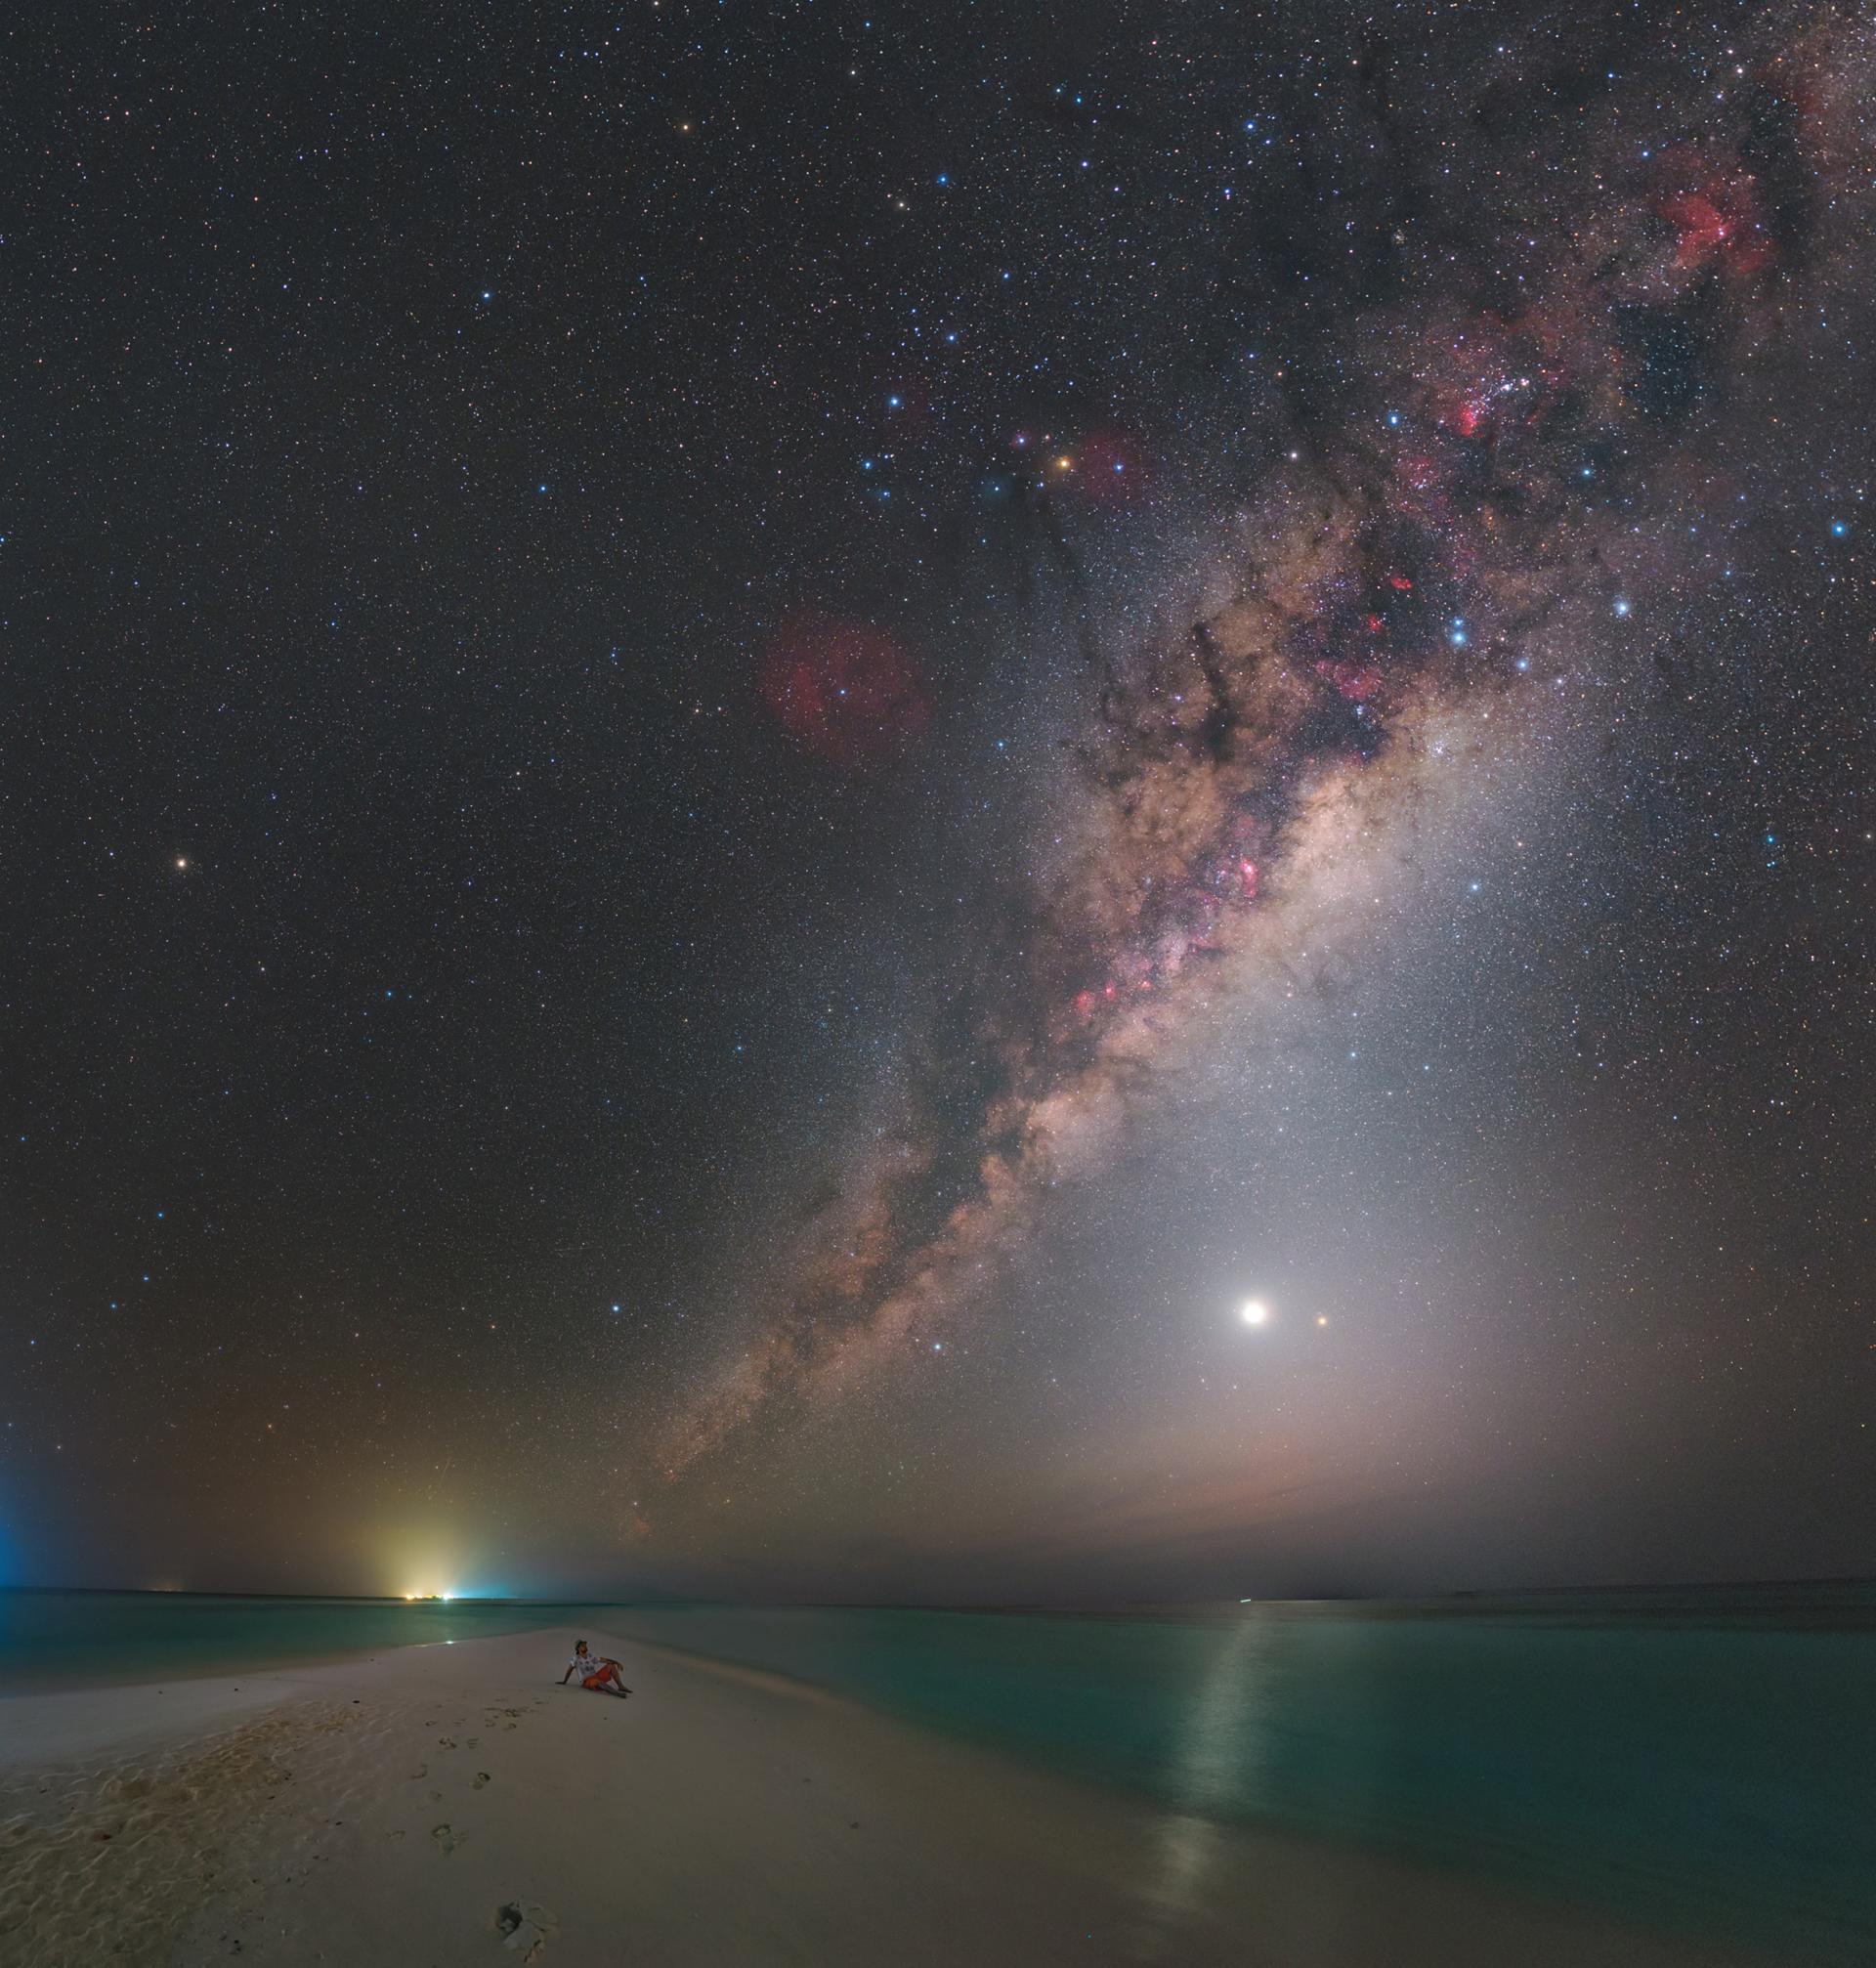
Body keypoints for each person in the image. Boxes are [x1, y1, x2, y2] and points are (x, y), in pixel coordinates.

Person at [560, 1638, 630, 1696]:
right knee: (598, 1682)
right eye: (582, 1645)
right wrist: (564, 1681)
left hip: (595, 1676)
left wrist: (617, 1662)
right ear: (578, 1648)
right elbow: (569, 1670)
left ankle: (621, 1686)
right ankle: (617, 1693)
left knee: (611, 1666)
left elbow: (603, 1660)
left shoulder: (590, 1655)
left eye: (585, 1645)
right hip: (586, 1681)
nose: (585, 1646)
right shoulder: (575, 1658)